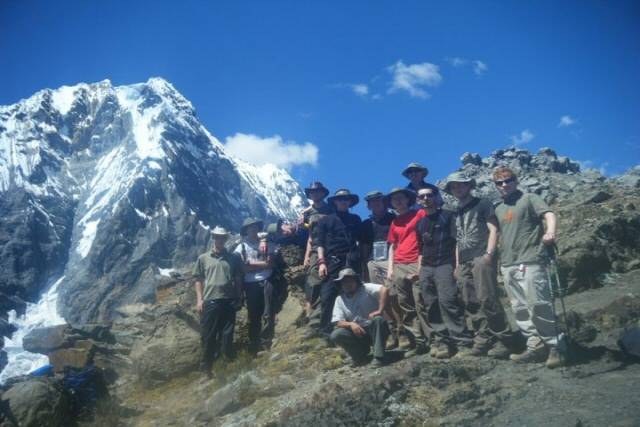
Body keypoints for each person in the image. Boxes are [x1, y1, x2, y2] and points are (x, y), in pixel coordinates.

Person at [492, 166, 562, 369]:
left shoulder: (529, 198)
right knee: (519, 308)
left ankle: (555, 345)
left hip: (531, 259)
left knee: (539, 303)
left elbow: (548, 214)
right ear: (495, 186)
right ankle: (535, 346)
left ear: (516, 180)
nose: (505, 185)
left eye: (508, 180)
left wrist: (550, 232)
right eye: (500, 182)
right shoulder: (499, 208)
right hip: (508, 264)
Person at [445, 172, 515, 359]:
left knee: (487, 297)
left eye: (461, 185)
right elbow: (458, 241)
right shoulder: (455, 213)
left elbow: (493, 229)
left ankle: (504, 339)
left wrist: (489, 254)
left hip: (481, 256)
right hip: (464, 260)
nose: (458, 189)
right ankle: (483, 337)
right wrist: (458, 265)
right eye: (454, 186)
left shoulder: (482, 204)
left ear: (469, 186)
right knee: (470, 301)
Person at [416, 187, 472, 359]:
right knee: (431, 304)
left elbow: (456, 242)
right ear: (418, 201)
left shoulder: (447, 216)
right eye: (422, 196)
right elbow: (420, 248)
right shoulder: (420, 223)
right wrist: (420, 270)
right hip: (426, 267)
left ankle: (462, 341)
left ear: (435, 197)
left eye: (429, 195)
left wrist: (456, 265)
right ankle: (443, 341)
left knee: (448, 301)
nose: (426, 198)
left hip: (445, 264)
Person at [193, 226, 244, 378]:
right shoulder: (203, 258)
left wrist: (239, 296)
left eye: (222, 237)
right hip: (210, 301)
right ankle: (206, 368)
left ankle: (225, 364)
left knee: (227, 335)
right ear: (213, 238)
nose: (219, 240)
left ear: (225, 239)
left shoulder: (234, 258)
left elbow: (238, 278)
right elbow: (198, 279)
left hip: (229, 300)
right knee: (208, 335)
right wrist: (199, 300)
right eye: (216, 237)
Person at [386, 187, 429, 356]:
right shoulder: (394, 222)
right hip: (399, 264)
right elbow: (393, 246)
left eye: (401, 198)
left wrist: (422, 261)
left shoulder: (419, 214)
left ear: (407, 200)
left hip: (416, 260)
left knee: (421, 301)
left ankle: (432, 338)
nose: (398, 201)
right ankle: (418, 341)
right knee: (406, 305)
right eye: (394, 199)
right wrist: (391, 268)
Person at [359, 190, 401, 348]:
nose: (375, 204)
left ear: (384, 202)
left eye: (378, 201)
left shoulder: (394, 219)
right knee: (381, 297)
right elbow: (363, 247)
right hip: (372, 263)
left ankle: (402, 330)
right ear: (368, 206)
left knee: (395, 295)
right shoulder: (365, 224)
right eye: (372, 202)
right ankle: (391, 331)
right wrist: (364, 267)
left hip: (392, 261)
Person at [330, 268, 390, 368]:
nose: (347, 284)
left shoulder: (366, 288)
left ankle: (378, 357)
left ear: (356, 281)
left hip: (374, 328)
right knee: (336, 334)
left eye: (350, 281)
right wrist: (351, 324)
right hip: (358, 331)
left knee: (378, 319)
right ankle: (359, 356)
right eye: (344, 282)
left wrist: (380, 310)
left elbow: (384, 290)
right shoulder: (340, 299)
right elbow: (337, 321)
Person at [234, 218, 276, 355]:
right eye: (250, 228)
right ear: (246, 230)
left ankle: (265, 342)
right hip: (250, 284)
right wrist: (262, 264)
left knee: (268, 311)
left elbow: (270, 264)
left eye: (255, 227)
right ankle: (254, 343)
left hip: (266, 280)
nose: (253, 230)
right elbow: (242, 268)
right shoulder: (241, 247)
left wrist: (251, 265)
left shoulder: (266, 243)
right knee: (253, 314)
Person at [301, 182, 334, 329]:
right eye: (312, 192)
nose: (315, 194)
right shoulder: (307, 213)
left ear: (322, 193)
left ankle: (325, 317)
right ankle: (310, 316)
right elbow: (310, 236)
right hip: (314, 248)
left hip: (330, 247)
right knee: (313, 282)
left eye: (317, 191)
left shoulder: (330, 209)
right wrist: (306, 256)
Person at [326, 189, 363, 273]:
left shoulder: (356, 219)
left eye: (346, 199)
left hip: (353, 260)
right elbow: (321, 242)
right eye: (340, 199)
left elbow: (361, 240)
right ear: (335, 202)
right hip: (334, 260)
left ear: (350, 202)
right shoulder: (326, 220)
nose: (343, 201)